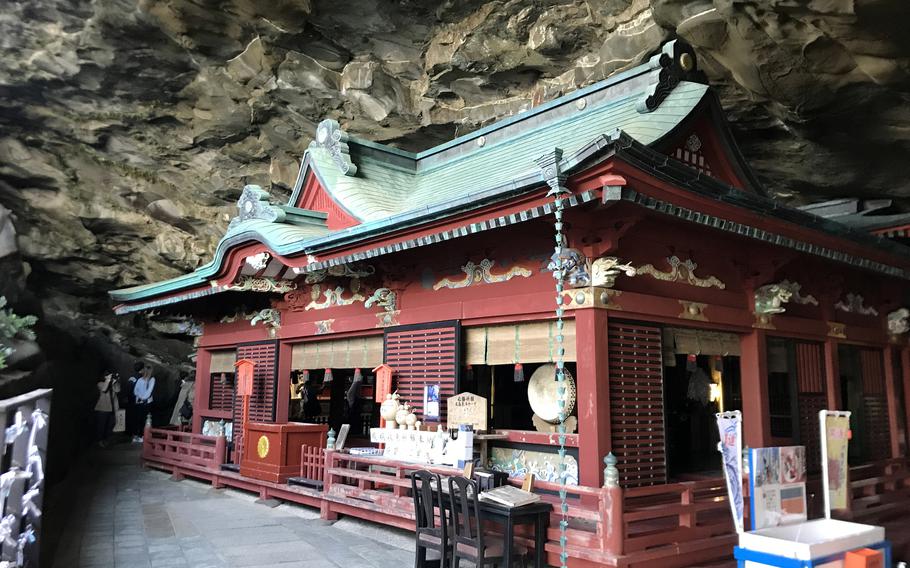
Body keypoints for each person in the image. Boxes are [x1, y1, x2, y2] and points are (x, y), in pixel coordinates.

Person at [94, 371, 120, 447]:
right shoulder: (100, 383)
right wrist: (108, 380)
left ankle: (106, 439)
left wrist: (116, 381)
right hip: (103, 408)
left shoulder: (112, 384)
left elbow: (118, 390)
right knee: (101, 426)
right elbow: (104, 389)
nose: (110, 377)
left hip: (112, 408)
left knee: (111, 424)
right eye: (108, 376)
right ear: (104, 377)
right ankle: (100, 441)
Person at [132, 364, 156, 443]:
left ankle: (143, 436)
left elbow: (149, 391)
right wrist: (141, 397)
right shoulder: (140, 380)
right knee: (138, 419)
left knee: (145, 419)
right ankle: (137, 436)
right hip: (140, 402)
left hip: (146, 403)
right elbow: (135, 390)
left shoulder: (152, 380)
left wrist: (142, 398)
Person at [125, 361, 143, 440]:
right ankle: (136, 435)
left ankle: (132, 435)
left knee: (132, 418)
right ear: (142, 369)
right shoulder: (142, 378)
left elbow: (128, 390)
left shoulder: (132, 378)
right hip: (138, 401)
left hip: (132, 401)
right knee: (137, 419)